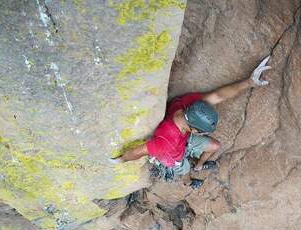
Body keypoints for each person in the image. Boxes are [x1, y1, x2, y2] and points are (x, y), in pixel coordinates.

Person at [112, 56, 272, 188]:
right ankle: (187, 183)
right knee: (184, 169)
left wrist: (249, 82)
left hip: (183, 139)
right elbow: (137, 152)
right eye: (202, 132)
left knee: (214, 146)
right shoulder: (165, 142)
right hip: (172, 155)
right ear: (194, 130)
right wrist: (120, 160)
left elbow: (218, 96)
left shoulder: (186, 104)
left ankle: (199, 165)